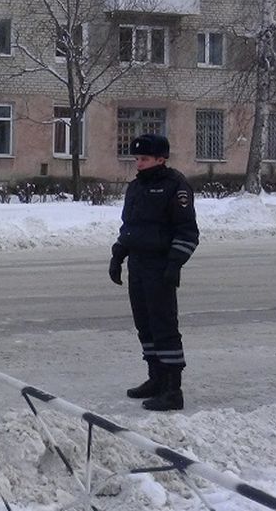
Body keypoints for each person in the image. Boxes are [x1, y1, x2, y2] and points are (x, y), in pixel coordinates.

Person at [108, 133, 199, 411]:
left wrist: (174, 265)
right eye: (136, 159)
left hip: (160, 266)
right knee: (145, 324)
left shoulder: (175, 186)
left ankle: (173, 389)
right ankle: (155, 378)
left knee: (164, 326)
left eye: (144, 159)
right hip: (138, 264)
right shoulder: (136, 187)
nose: (139, 164)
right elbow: (132, 226)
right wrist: (118, 254)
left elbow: (187, 232)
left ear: (161, 159)